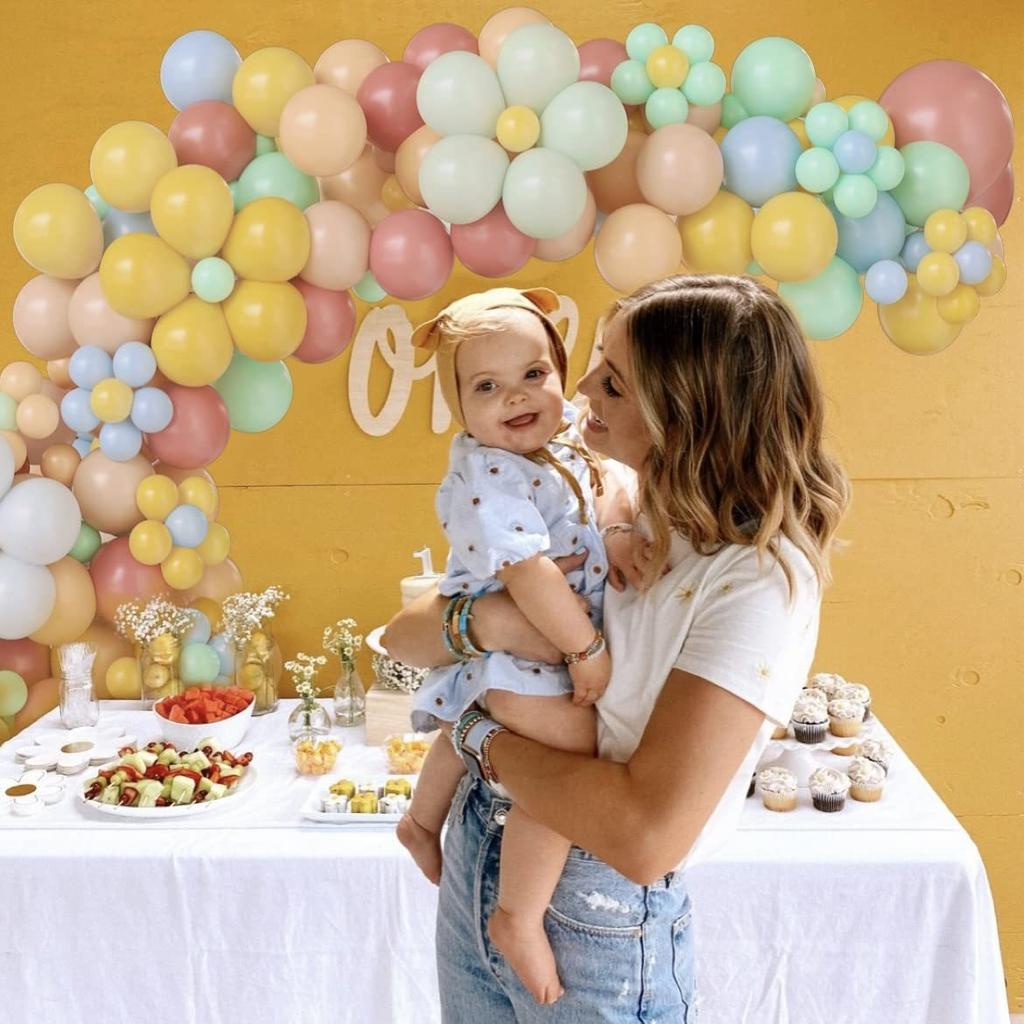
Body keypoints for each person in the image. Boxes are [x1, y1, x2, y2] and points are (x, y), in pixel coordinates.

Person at [385, 274, 851, 1022]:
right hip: (479, 839)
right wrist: (494, 625)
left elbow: (644, 838)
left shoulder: (757, 581)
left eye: (614, 381)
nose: (580, 388)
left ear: (687, 410)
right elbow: (405, 635)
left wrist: (475, 732)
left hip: (590, 899)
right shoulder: (629, 497)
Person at [396, 287, 632, 1004]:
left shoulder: (564, 442)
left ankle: (420, 820)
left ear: (561, 373)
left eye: (534, 374)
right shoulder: (488, 470)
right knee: (569, 765)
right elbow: (527, 573)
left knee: (471, 727)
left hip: (523, 649)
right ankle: (518, 915)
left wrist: (620, 531)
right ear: (459, 408)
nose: (517, 397)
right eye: (486, 387)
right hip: (529, 646)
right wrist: (586, 648)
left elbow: (609, 490)